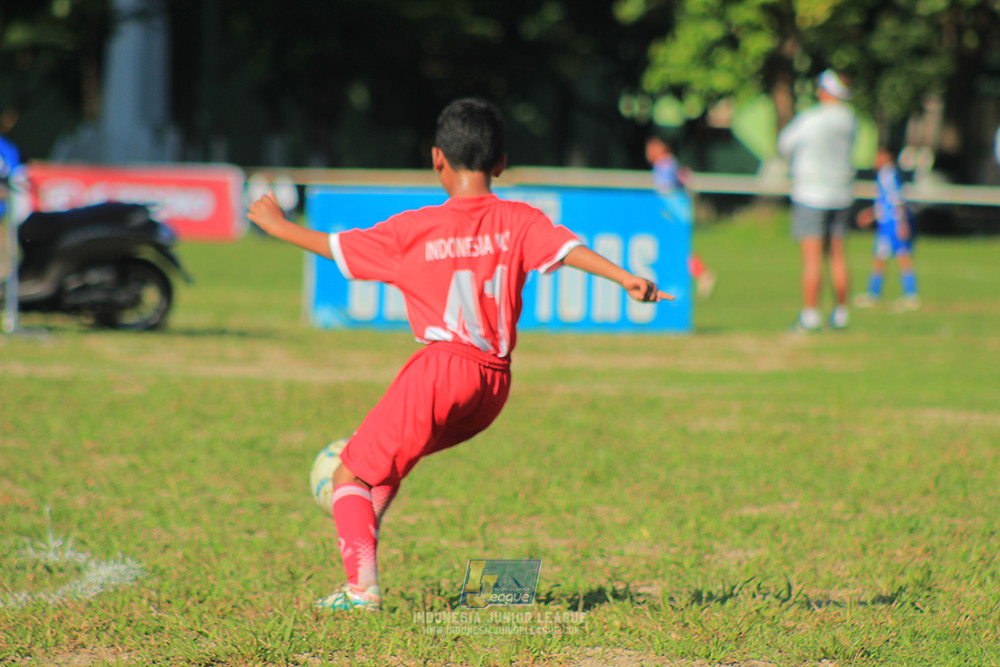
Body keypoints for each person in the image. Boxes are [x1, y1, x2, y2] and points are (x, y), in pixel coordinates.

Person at [247, 98, 672, 612]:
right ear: (501, 163)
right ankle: (364, 538)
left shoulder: (414, 230)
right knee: (389, 465)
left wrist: (276, 226)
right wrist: (625, 276)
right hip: (493, 385)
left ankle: (360, 591)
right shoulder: (519, 220)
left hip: (442, 367)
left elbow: (337, 249)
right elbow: (566, 249)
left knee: (350, 473)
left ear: (436, 159)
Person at [777, 69, 857, 332]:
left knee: (812, 259)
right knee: (837, 256)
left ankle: (811, 316)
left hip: (811, 194)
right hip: (842, 193)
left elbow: (784, 144)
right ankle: (841, 314)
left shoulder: (811, 119)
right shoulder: (849, 120)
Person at [645, 135, 716, 298]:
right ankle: (700, 274)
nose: (649, 151)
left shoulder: (666, 164)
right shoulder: (668, 164)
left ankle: (698, 276)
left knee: (675, 248)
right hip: (676, 212)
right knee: (674, 247)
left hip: (673, 213)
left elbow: (666, 191)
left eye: (653, 147)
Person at [854, 145, 919, 311]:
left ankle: (911, 295)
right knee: (879, 258)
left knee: (903, 257)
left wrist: (902, 223)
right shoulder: (884, 174)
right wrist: (870, 214)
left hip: (893, 224)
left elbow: (897, 199)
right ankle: (873, 294)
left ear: (886, 157)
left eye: (878, 156)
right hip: (886, 225)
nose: (875, 160)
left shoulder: (888, 174)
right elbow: (885, 202)